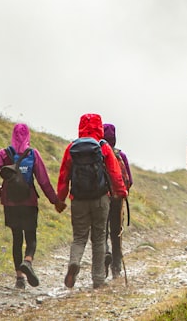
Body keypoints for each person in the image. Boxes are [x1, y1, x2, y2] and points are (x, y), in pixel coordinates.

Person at [0, 123, 66, 289]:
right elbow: (43, 181)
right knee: (31, 237)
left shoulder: (5, 153)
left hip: (10, 203)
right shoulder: (33, 154)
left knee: (16, 238)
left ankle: (19, 278)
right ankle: (27, 261)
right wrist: (55, 201)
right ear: (28, 136)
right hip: (29, 202)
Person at [56, 113, 128, 289]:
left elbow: (64, 176)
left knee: (79, 237)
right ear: (100, 127)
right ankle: (98, 279)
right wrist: (121, 192)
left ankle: (74, 263)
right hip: (101, 199)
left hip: (78, 200)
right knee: (98, 238)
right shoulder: (103, 147)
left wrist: (60, 199)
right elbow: (114, 173)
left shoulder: (72, 148)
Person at [103, 122, 133, 280]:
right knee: (116, 232)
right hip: (118, 198)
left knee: (103, 230)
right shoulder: (121, 155)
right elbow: (130, 180)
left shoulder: (98, 153)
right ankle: (116, 267)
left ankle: (105, 253)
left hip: (102, 197)